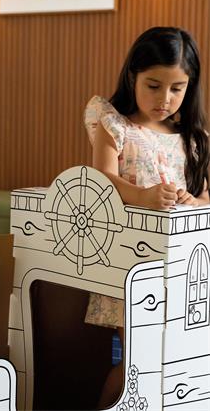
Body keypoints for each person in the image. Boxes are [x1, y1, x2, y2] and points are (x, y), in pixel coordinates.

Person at [83, 26, 210, 408]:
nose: (164, 99)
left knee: (178, 357)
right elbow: (102, 179)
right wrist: (142, 195)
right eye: (153, 86)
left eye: (177, 88)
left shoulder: (193, 137)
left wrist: (193, 201)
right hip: (132, 264)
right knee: (137, 360)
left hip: (183, 267)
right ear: (133, 77)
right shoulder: (115, 125)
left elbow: (206, 194)